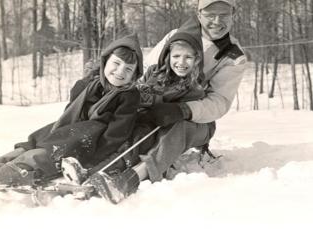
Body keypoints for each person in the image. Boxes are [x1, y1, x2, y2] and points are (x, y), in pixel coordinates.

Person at [90, 0, 247, 204]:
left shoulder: (233, 56)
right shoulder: (176, 36)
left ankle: (135, 176)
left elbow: (219, 102)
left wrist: (182, 109)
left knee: (178, 128)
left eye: (224, 14)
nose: (217, 21)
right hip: (157, 103)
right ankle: (98, 164)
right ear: (199, 14)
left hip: (196, 120)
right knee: (131, 124)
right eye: (210, 14)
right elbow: (149, 69)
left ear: (233, 15)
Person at [0, 33, 144, 187]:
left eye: (128, 69)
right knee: (42, 136)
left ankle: (21, 169)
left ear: (134, 75)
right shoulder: (89, 85)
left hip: (93, 138)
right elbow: (70, 113)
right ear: (105, 61)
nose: (120, 72)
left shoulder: (128, 96)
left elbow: (117, 133)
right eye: (116, 63)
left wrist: (92, 157)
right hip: (75, 128)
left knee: (55, 146)